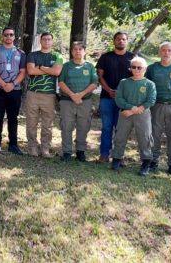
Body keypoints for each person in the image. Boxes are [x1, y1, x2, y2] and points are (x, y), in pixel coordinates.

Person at [145, 42, 171, 175]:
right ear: (159, 52)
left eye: (169, 50)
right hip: (157, 105)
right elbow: (147, 85)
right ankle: (153, 161)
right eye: (163, 50)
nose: (166, 53)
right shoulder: (152, 68)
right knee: (154, 133)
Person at [110, 57, 156, 176]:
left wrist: (134, 110)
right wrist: (131, 108)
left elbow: (151, 100)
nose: (136, 69)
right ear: (130, 68)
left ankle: (146, 162)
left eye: (139, 67)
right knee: (120, 136)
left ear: (145, 69)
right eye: (133, 67)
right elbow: (119, 98)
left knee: (145, 138)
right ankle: (117, 159)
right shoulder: (124, 82)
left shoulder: (149, 84)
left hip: (142, 114)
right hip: (125, 113)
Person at [96, 32, 135, 162]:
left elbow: (136, 77)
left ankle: (118, 155)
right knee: (107, 127)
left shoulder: (132, 57)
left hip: (124, 100)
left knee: (121, 128)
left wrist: (122, 94)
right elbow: (99, 76)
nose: (121, 41)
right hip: (107, 97)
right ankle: (104, 154)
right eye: (118, 39)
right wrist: (109, 90)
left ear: (127, 41)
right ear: (114, 41)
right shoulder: (105, 57)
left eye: (123, 39)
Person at [0, 27, 26, 154]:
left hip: (15, 90)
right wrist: (4, 84)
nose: (8, 37)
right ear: (2, 37)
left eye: (11, 34)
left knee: (13, 117)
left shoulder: (21, 53)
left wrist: (13, 84)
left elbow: (23, 72)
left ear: (14, 37)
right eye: (6, 35)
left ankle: (13, 144)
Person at [57, 41, 98, 162]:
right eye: (75, 49)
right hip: (67, 101)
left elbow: (94, 83)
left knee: (83, 126)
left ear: (84, 51)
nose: (78, 51)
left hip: (84, 101)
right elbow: (61, 82)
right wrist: (72, 95)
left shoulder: (89, 66)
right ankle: (67, 152)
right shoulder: (66, 66)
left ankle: (80, 152)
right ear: (72, 51)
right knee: (66, 126)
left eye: (80, 49)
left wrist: (80, 94)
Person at [24, 32, 63, 157]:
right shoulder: (32, 54)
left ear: (52, 42)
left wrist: (40, 67)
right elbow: (30, 70)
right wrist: (48, 70)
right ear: (40, 41)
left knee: (48, 124)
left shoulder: (57, 55)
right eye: (44, 39)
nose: (46, 41)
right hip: (33, 93)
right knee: (31, 122)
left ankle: (45, 149)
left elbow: (56, 71)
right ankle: (32, 148)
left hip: (49, 95)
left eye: (49, 39)